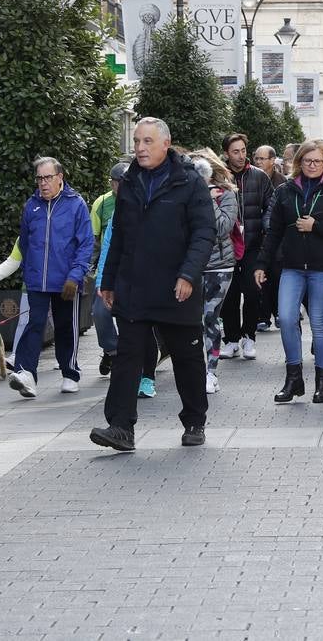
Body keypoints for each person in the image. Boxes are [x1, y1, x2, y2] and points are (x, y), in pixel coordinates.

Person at [90, 118, 216, 452]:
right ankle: (120, 427)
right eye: (137, 141)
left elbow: (205, 233)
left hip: (177, 287)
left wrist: (188, 274)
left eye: (147, 141)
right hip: (134, 285)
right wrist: (109, 279)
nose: (140, 148)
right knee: (128, 356)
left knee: (187, 357)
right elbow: (118, 233)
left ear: (165, 143)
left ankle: (194, 420)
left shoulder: (189, 182)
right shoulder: (129, 180)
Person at [255, 140, 323, 404]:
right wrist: (262, 264)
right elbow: (274, 230)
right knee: (287, 319)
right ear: (299, 162)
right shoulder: (286, 190)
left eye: (318, 161)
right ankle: (294, 378)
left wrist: (317, 226)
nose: (312, 165)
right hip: (292, 266)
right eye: (308, 161)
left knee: (320, 323)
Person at [4, 157, 93, 398]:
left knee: (66, 327)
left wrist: (75, 276)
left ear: (59, 177)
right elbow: (24, 242)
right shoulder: (31, 206)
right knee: (35, 324)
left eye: (48, 178)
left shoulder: (76, 205)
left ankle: (70, 372)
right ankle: (26, 375)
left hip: (66, 281)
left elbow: (85, 244)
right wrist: (30, 269)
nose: (43, 183)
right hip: (37, 281)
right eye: (39, 178)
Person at [188, 149, 239, 395]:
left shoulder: (225, 195)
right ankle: (195, 369)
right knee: (192, 320)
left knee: (209, 317)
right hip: (192, 266)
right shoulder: (184, 194)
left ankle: (211, 371)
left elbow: (221, 228)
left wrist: (208, 199)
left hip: (220, 266)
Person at [220, 133, 272, 360]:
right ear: (226, 154)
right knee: (229, 295)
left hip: (253, 244)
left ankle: (249, 336)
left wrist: (266, 226)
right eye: (235, 151)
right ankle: (231, 339)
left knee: (252, 292)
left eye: (243, 150)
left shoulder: (259, 177)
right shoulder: (219, 176)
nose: (240, 156)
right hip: (226, 246)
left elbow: (271, 205)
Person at [89, 161, 127, 377]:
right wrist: (99, 277)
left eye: (123, 182)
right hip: (110, 268)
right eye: (116, 182)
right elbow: (99, 243)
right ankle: (112, 350)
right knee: (100, 312)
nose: (119, 186)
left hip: (134, 272)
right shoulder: (102, 204)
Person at [252, 145, 287, 333]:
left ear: (273, 160)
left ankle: (281, 312)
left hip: (277, 238)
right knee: (261, 276)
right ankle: (263, 316)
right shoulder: (254, 178)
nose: (258, 162)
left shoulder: (282, 183)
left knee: (278, 275)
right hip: (257, 236)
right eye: (256, 158)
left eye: (262, 158)